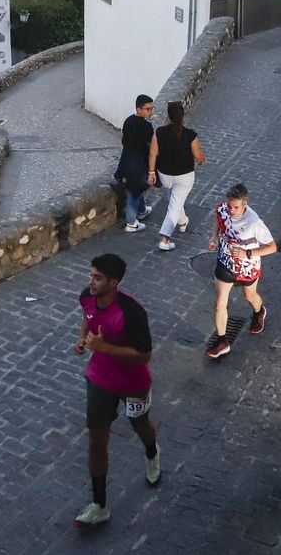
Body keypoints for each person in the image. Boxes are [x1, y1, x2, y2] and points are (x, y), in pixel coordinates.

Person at [72, 253, 159, 527]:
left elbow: (144, 355)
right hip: (100, 379)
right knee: (97, 440)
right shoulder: (87, 296)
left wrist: (103, 347)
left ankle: (152, 452)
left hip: (134, 383)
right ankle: (99, 505)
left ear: (114, 282)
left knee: (140, 423)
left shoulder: (132, 312)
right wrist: (82, 338)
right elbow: (88, 315)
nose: (91, 282)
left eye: (98, 278)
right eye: (91, 275)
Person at [204, 184, 277, 359]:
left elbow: (273, 247)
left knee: (249, 296)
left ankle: (259, 312)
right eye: (230, 205)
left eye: (236, 207)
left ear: (245, 204)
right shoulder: (223, 208)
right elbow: (219, 217)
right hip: (226, 261)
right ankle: (222, 341)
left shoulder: (254, 223)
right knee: (220, 303)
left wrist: (248, 253)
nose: (231, 210)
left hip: (247, 266)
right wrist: (215, 235)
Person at [147, 101, 206, 252]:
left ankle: (183, 222)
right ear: (182, 115)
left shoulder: (159, 132)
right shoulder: (190, 134)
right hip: (185, 176)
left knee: (174, 200)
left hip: (165, 175)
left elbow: (153, 153)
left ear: (168, 115)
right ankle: (165, 239)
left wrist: (151, 172)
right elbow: (197, 155)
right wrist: (202, 159)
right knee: (174, 205)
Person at [115, 94, 155, 232]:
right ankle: (131, 223)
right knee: (135, 191)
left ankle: (142, 211)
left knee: (137, 188)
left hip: (126, 159)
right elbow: (150, 148)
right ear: (139, 109)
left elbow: (124, 141)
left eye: (152, 108)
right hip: (138, 163)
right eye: (148, 109)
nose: (151, 112)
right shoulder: (147, 127)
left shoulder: (128, 121)